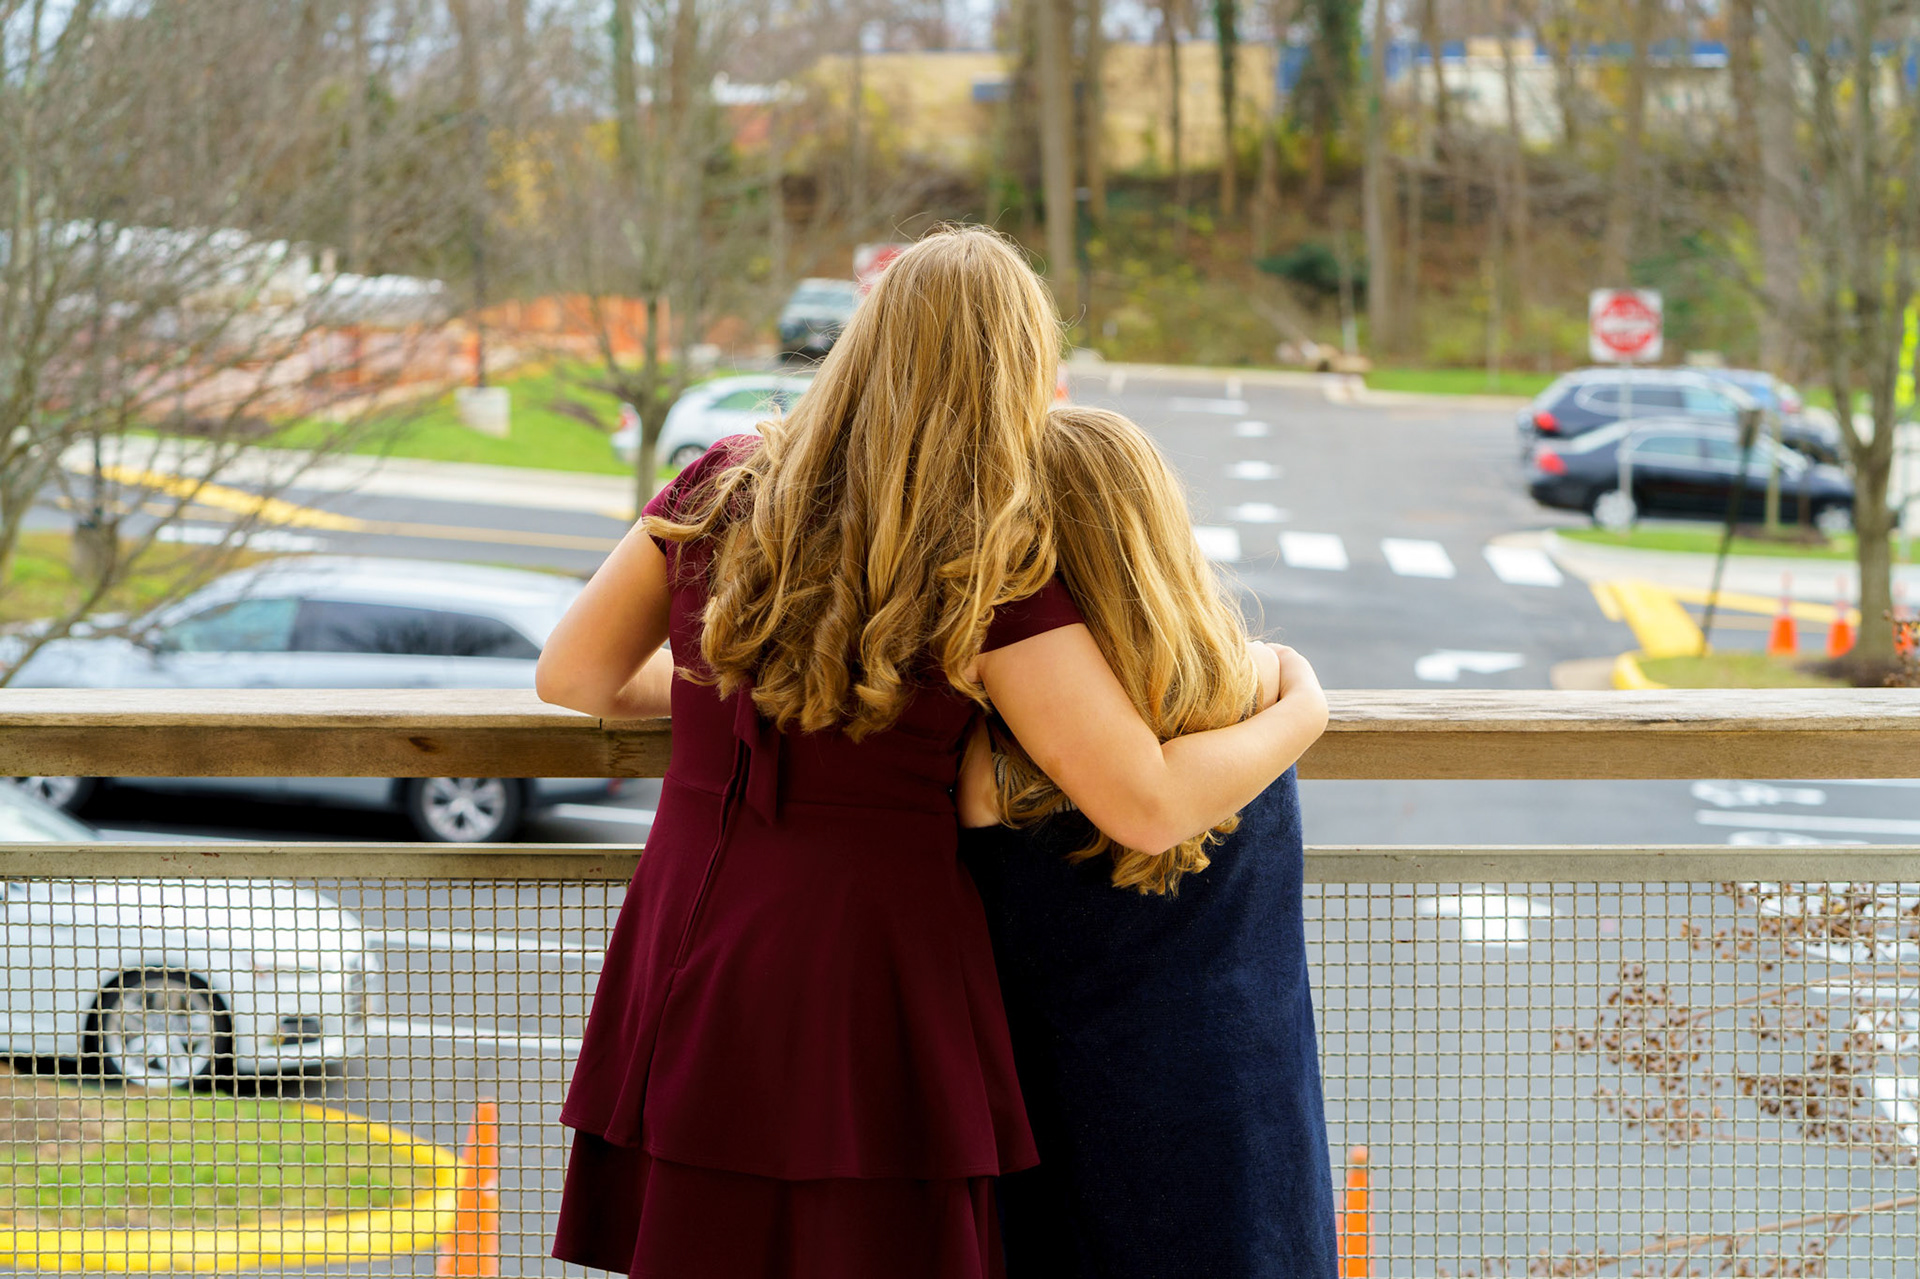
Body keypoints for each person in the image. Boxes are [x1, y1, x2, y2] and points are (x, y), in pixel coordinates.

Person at [534, 227, 1327, 1279]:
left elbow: (576, 677)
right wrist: (1302, 705)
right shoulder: (985, 547)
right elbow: (1145, 802)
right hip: (866, 956)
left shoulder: (720, 484)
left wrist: (733, 697)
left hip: (690, 918)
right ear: (1018, 372)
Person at [957, 406, 1338, 1279]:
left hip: (1076, 1112)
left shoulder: (1005, 751)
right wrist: (1306, 698)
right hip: (1251, 1095)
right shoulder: (1252, 691)